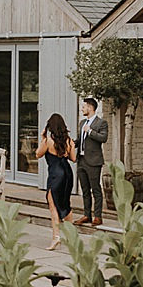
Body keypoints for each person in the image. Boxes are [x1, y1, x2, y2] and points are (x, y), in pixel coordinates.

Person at [36, 113, 76, 250]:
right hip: (68, 173)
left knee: (53, 206)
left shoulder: (48, 141)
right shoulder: (69, 141)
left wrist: (42, 139)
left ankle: (56, 238)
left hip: (55, 174)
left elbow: (37, 154)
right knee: (65, 203)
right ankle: (72, 237)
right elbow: (73, 158)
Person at [75, 97, 108, 227]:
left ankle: (98, 216)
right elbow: (79, 140)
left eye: (83, 107)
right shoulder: (82, 122)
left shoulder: (101, 123)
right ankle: (86, 215)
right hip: (81, 160)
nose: (82, 109)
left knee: (96, 189)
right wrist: (71, 144)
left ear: (90, 107)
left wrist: (90, 131)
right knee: (84, 189)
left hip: (94, 161)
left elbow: (103, 138)